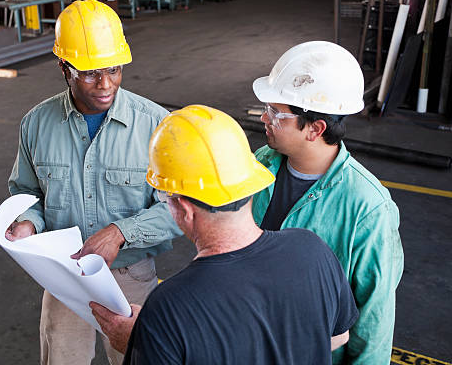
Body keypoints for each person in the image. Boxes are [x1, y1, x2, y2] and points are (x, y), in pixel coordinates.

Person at [90, 105, 359, 365]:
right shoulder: (312, 251)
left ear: (184, 208)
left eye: (164, 198)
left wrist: (140, 343)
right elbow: (338, 336)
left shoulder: (171, 306)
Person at [6, 0, 181, 365]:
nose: (105, 85)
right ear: (64, 68)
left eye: (114, 70)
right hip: (64, 276)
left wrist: (120, 232)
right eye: (89, 74)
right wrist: (27, 221)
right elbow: (27, 192)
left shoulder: (155, 125)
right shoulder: (36, 124)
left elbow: (178, 210)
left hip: (130, 275)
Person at [250, 41, 404, 364]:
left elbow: (373, 325)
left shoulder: (368, 208)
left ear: (315, 128)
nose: (265, 118)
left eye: (276, 113)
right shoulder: (257, 167)